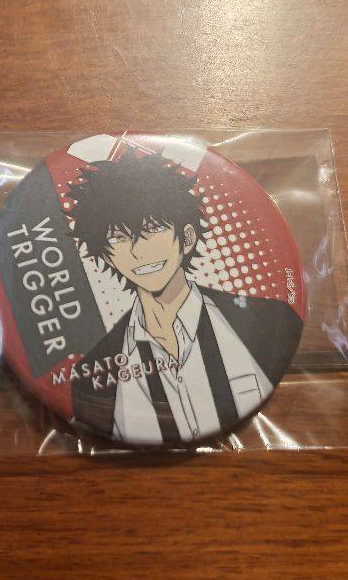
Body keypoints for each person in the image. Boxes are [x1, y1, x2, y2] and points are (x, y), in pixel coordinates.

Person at [66, 152, 303, 445]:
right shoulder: (92, 375)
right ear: (107, 257)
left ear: (187, 238)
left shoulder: (270, 322)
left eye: (153, 229)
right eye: (118, 238)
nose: (139, 252)